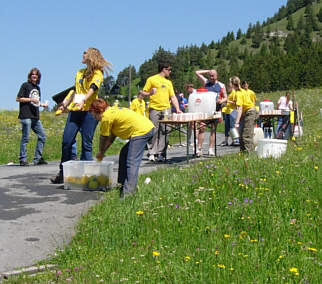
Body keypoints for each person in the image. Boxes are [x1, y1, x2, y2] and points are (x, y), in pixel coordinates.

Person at [51, 48, 112, 183]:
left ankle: (87, 177)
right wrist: (65, 103)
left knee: (86, 144)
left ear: (91, 56)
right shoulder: (80, 72)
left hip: (89, 112)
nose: (82, 55)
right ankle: (63, 173)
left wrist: (85, 99)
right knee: (66, 141)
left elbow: (93, 87)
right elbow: (74, 90)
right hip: (75, 111)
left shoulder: (98, 73)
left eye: (85, 53)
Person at [89, 98, 154, 198]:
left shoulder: (106, 117)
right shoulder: (112, 111)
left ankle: (128, 194)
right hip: (146, 127)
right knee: (124, 153)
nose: (94, 118)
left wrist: (101, 152)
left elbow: (103, 138)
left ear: (99, 111)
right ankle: (121, 185)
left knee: (131, 161)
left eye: (93, 114)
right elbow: (111, 138)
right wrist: (102, 152)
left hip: (141, 131)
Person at [140, 62, 182, 162]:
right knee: (154, 131)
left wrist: (177, 108)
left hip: (166, 109)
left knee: (166, 131)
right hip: (154, 108)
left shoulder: (169, 82)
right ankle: (152, 152)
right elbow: (143, 92)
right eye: (169, 69)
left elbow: (172, 97)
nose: (170, 71)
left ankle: (161, 153)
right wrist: (150, 93)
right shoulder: (151, 79)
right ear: (164, 69)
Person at [16, 68, 48, 166]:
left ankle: (37, 159)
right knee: (26, 138)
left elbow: (36, 102)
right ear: (30, 76)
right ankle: (23, 159)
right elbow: (18, 98)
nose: (34, 76)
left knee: (42, 136)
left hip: (35, 116)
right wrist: (30, 99)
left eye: (36, 75)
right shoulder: (25, 85)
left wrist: (42, 105)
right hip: (26, 115)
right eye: (32, 74)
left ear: (38, 77)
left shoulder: (38, 88)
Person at [195, 69, 227, 155]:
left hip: (216, 110)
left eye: (213, 76)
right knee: (202, 127)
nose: (211, 77)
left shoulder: (221, 85)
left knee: (213, 129)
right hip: (205, 110)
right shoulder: (206, 82)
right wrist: (208, 71)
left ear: (217, 76)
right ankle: (199, 149)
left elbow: (226, 97)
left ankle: (211, 149)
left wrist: (221, 101)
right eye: (210, 76)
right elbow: (197, 72)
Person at [233, 76, 257, 152]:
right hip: (246, 113)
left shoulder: (239, 93)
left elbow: (240, 108)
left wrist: (236, 122)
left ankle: (249, 154)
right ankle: (243, 153)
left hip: (250, 112)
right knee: (241, 134)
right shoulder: (242, 91)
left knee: (246, 135)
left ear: (233, 84)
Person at [221, 78, 239, 146]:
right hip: (228, 111)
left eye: (229, 86)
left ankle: (236, 140)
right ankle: (227, 141)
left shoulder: (234, 93)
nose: (228, 87)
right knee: (227, 127)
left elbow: (235, 103)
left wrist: (226, 101)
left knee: (232, 126)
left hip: (232, 111)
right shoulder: (231, 93)